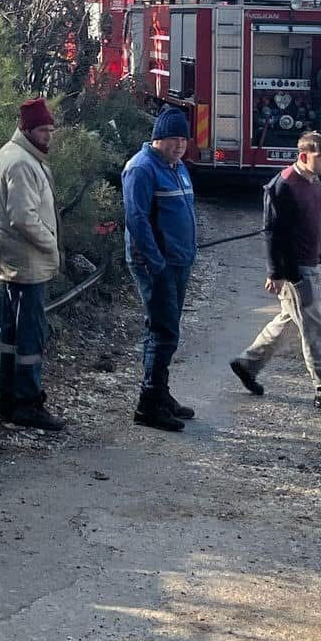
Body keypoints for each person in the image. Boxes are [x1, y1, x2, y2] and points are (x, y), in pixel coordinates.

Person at [231, 130, 321, 415]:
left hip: (308, 265)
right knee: (315, 330)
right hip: (296, 271)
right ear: (303, 156)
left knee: (288, 320)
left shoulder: (316, 183)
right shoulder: (283, 185)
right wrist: (276, 272)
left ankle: (247, 363)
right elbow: (273, 234)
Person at [122, 106, 198, 431]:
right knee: (163, 331)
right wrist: (156, 262)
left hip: (178, 261)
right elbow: (137, 219)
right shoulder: (141, 169)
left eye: (183, 139)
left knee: (167, 328)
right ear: (158, 138)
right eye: (173, 139)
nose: (179, 145)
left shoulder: (177, 166)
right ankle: (148, 404)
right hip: (156, 264)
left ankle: (160, 392)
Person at [0, 97, 65, 430]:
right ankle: (28, 402)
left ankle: (6, 396)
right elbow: (23, 217)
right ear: (27, 129)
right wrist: (52, 245)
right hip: (28, 262)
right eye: (43, 130)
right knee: (30, 335)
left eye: (50, 129)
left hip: (13, 260)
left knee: (12, 334)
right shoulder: (22, 162)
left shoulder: (15, 154)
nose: (48, 136)